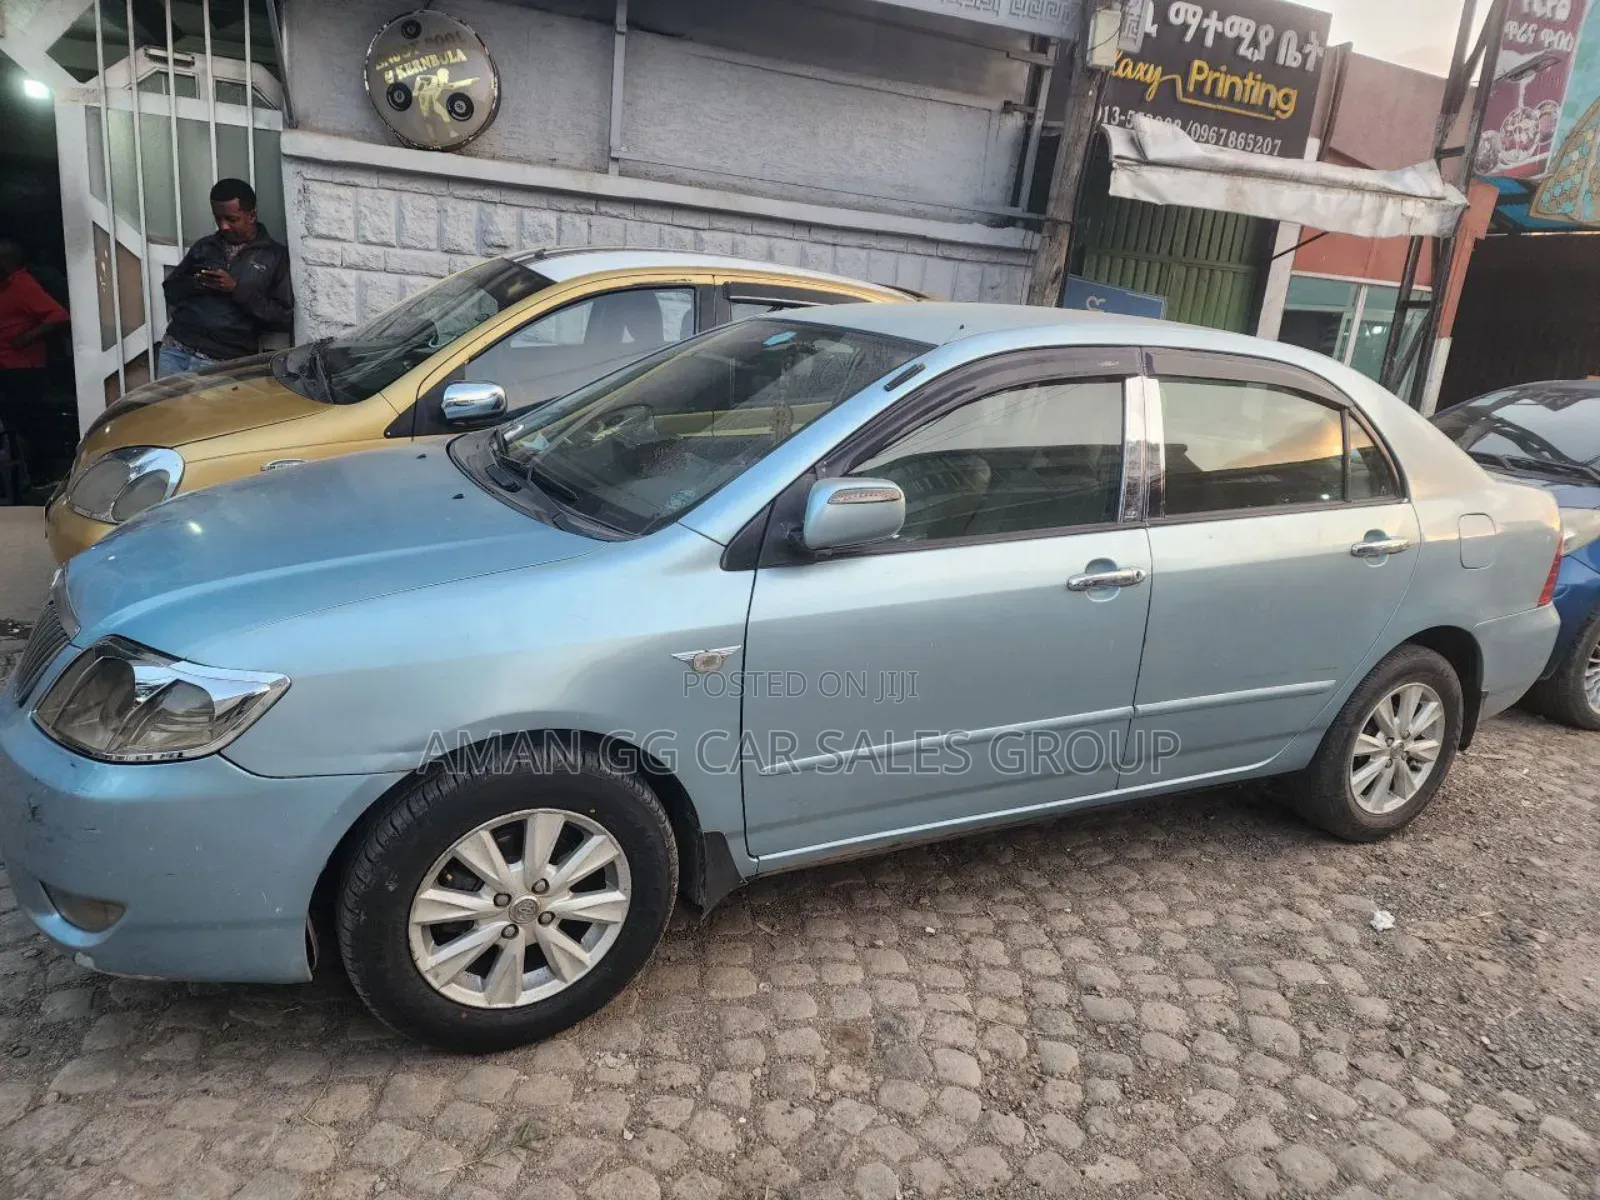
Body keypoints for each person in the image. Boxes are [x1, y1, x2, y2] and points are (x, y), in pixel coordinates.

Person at [160, 178, 293, 377]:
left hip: (222, 361)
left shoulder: (274, 257)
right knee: (163, 409)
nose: (224, 227)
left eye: (231, 220)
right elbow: (171, 290)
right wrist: (197, 283)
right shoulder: (205, 247)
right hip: (176, 348)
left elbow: (282, 316)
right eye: (218, 219)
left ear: (251, 215)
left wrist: (235, 289)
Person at [0, 239, 71, 492]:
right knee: (14, 425)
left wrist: (26, 337)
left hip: (24, 367)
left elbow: (59, 315)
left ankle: (42, 476)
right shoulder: (6, 286)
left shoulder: (22, 284)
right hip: (7, 366)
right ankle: (22, 478)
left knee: (30, 425)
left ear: (7, 261)